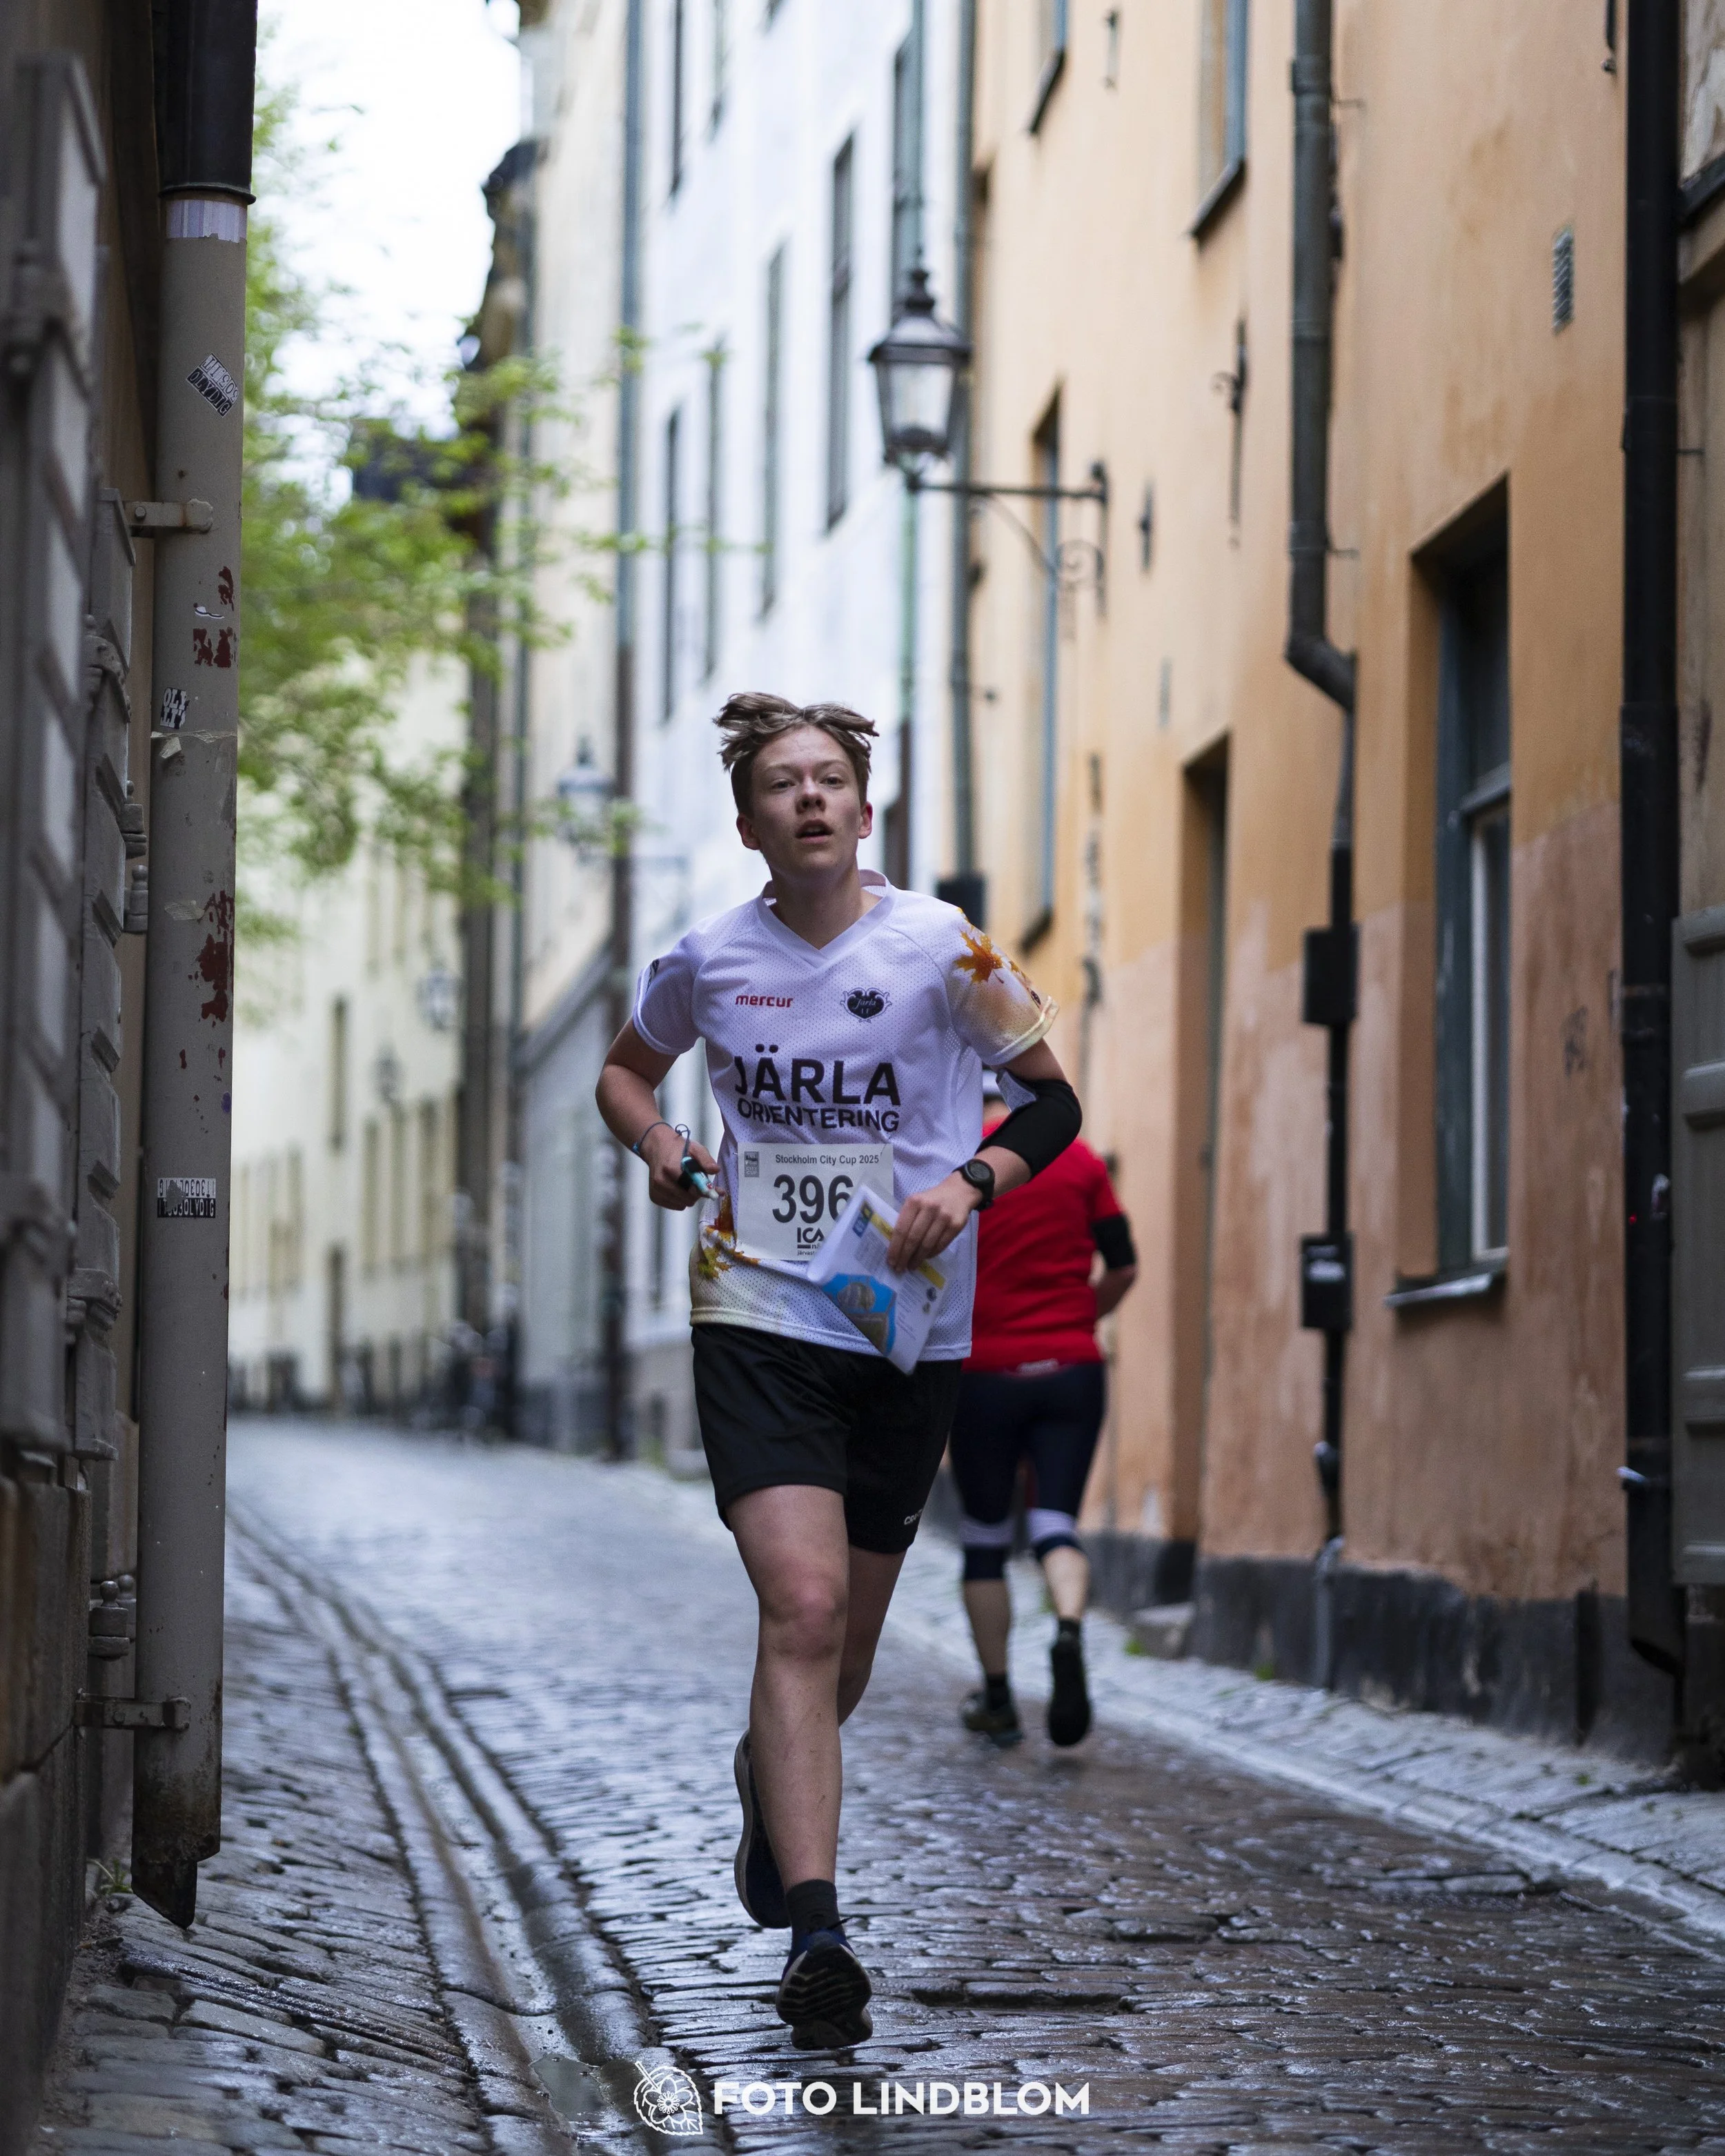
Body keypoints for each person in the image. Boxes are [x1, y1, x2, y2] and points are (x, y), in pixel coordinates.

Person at [595, 693, 1079, 2050]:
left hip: (907, 1328)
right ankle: (818, 1930)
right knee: (800, 1606)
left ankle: (770, 1771)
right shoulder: (706, 959)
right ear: (747, 821)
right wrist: (661, 1146)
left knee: (842, 1648)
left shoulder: (944, 948)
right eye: (780, 783)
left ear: (864, 812)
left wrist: (970, 1181)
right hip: (758, 1310)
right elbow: (626, 1075)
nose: (807, 797)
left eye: (829, 780)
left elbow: (1052, 1101)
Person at [949, 1075, 1136, 1749]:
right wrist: (1078, 1319)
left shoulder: (959, 1166)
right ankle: (1068, 1628)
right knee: (1055, 1522)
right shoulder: (1080, 1162)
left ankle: (998, 1695)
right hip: (1071, 1369)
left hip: (983, 1372)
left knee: (984, 1537)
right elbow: (1123, 1265)